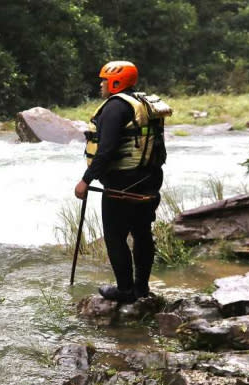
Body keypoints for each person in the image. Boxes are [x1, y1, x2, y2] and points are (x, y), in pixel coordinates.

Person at [73, 61, 167, 303]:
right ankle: (141, 288)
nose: (101, 84)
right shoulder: (141, 103)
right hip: (149, 179)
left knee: (115, 237)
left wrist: (85, 180)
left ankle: (125, 291)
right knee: (142, 233)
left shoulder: (115, 108)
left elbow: (106, 151)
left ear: (116, 82)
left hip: (122, 183)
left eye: (104, 80)